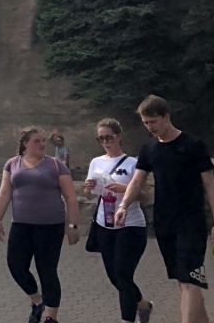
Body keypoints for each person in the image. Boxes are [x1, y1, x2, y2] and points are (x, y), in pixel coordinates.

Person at [116, 95, 214, 323]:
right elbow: (137, 181)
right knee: (183, 282)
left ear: (166, 117)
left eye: (153, 121)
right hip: (164, 222)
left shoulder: (193, 145)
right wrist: (124, 204)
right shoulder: (149, 148)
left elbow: (210, 187)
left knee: (189, 281)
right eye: (145, 122)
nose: (149, 127)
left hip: (191, 223)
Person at [0, 126, 79, 323]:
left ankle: (51, 317)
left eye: (43, 141)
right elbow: (4, 193)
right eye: (37, 141)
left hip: (50, 227)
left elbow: (71, 196)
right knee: (16, 265)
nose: (42, 144)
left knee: (47, 270)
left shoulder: (56, 165)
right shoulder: (12, 164)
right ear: (25, 144)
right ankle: (37, 300)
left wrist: (72, 225)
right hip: (21, 226)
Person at [83, 118, 153, 323]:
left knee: (123, 274)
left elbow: (146, 197)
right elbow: (89, 196)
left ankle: (127, 319)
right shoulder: (96, 162)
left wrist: (125, 189)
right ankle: (143, 305)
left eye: (109, 137)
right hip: (105, 224)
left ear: (118, 136)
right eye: (101, 138)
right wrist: (88, 188)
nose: (105, 142)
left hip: (130, 225)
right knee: (114, 276)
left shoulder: (133, 163)